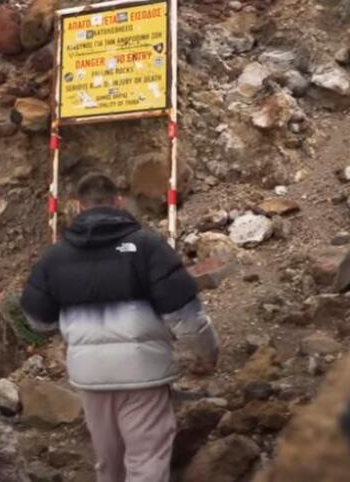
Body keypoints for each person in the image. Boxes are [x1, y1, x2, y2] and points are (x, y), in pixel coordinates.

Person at [20, 172, 219, 482]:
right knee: (146, 461)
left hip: (90, 378)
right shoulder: (148, 246)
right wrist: (208, 353)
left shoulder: (55, 258)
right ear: (118, 202)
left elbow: (37, 319)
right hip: (143, 375)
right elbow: (186, 317)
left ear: (78, 207)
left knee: (109, 465)